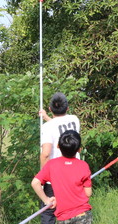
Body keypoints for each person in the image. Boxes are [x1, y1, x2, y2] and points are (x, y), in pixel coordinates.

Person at [31, 130, 92, 223]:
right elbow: (88, 193)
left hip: (64, 217)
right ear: (79, 149)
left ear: (58, 146)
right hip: (82, 214)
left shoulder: (51, 165)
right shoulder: (83, 165)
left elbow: (35, 183)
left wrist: (46, 200)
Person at [39, 92, 81, 224]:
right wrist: (46, 118)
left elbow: (46, 153)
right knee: (73, 210)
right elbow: (60, 127)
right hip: (75, 174)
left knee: (48, 211)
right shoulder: (74, 119)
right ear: (67, 108)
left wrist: (43, 177)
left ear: (50, 109)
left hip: (55, 177)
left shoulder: (47, 127)